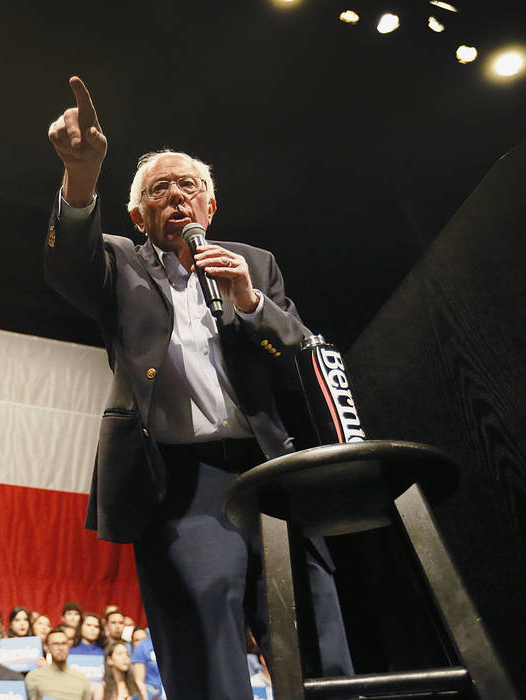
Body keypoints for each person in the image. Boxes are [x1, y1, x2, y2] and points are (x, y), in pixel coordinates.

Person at [44, 76, 352, 700]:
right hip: (182, 483)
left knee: (314, 623)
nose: (178, 197)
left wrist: (250, 301)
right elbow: (67, 263)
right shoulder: (120, 265)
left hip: (271, 469)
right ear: (138, 215)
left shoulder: (255, 264)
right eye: (161, 189)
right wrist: (81, 176)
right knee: (205, 628)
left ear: (211, 208)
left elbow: (302, 360)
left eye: (191, 187)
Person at [25, 628, 91, 700]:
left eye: (64, 643)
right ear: (47, 648)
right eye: (55, 644)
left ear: (69, 646)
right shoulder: (34, 677)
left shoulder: (81, 679)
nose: (61, 648)